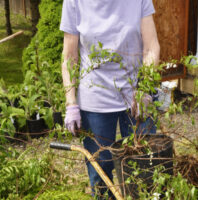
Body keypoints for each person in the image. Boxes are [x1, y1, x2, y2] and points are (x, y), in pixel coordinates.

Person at [60, 0, 160, 199]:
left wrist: (145, 88)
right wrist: (71, 103)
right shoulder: (74, 2)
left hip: (136, 97)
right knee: (100, 174)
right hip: (95, 99)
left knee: (145, 169)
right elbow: (69, 56)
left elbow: (151, 47)